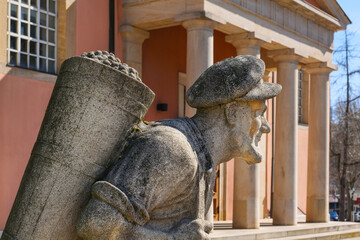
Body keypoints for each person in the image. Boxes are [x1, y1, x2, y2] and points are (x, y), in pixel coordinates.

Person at [77, 55, 281, 240]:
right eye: (259, 113)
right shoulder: (174, 150)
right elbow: (96, 224)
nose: (266, 126)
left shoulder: (204, 160)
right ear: (233, 113)